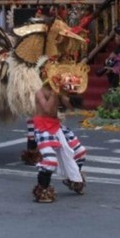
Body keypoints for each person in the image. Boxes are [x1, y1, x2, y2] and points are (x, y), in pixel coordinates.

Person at [32, 61, 87, 203]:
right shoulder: (40, 92)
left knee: (80, 151)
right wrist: (56, 94)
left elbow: (72, 106)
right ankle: (42, 189)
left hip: (56, 126)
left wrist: (73, 93)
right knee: (50, 159)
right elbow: (48, 111)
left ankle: (71, 178)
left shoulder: (59, 93)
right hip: (43, 127)